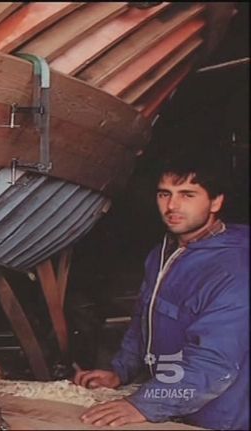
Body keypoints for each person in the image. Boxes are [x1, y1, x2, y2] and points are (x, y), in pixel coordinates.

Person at [73, 150, 249, 429]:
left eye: (187, 195)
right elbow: (144, 319)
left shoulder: (235, 269)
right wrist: (120, 371)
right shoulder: (164, 252)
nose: (172, 206)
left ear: (216, 202)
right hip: (174, 407)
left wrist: (144, 405)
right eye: (164, 194)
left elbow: (215, 363)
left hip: (220, 418)